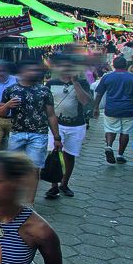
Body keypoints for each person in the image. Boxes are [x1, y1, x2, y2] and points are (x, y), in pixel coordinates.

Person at [0, 60, 62, 204]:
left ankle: (29, 203)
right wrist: (8, 105)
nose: (32, 72)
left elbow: (51, 115)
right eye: (29, 69)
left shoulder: (44, 90)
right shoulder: (11, 90)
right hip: (17, 133)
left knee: (34, 170)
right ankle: (10, 199)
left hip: (38, 134)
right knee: (11, 168)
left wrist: (57, 137)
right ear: (21, 72)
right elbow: (1, 112)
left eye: (35, 70)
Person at [44, 61, 92, 199]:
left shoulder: (82, 83)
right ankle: (54, 186)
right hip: (55, 125)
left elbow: (84, 101)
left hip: (75, 125)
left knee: (70, 155)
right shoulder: (51, 83)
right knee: (54, 153)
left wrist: (75, 82)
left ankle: (64, 183)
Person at [92, 56, 133, 165]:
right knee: (125, 132)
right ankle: (120, 154)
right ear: (126, 65)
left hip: (111, 109)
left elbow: (99, 93)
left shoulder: (107, 77)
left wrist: (95, 107)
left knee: (110, 129)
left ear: (113, 65)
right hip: (129, 110)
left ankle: (109, 146)